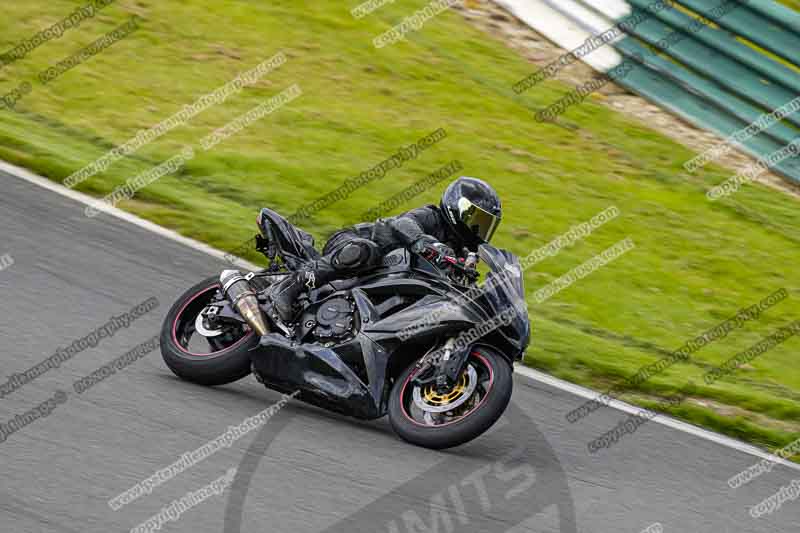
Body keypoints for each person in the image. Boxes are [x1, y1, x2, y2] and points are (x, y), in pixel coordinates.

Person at [269, 176, 502, 322]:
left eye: (485, 225)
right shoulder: (433, 217)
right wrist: (422, 242)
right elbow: (403, 223)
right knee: (365, 251)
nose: (478, 229)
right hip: (353, 243)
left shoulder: (460, 254)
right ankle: (289, 286)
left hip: (383, 280)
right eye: (477, 221)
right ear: (458, 209)